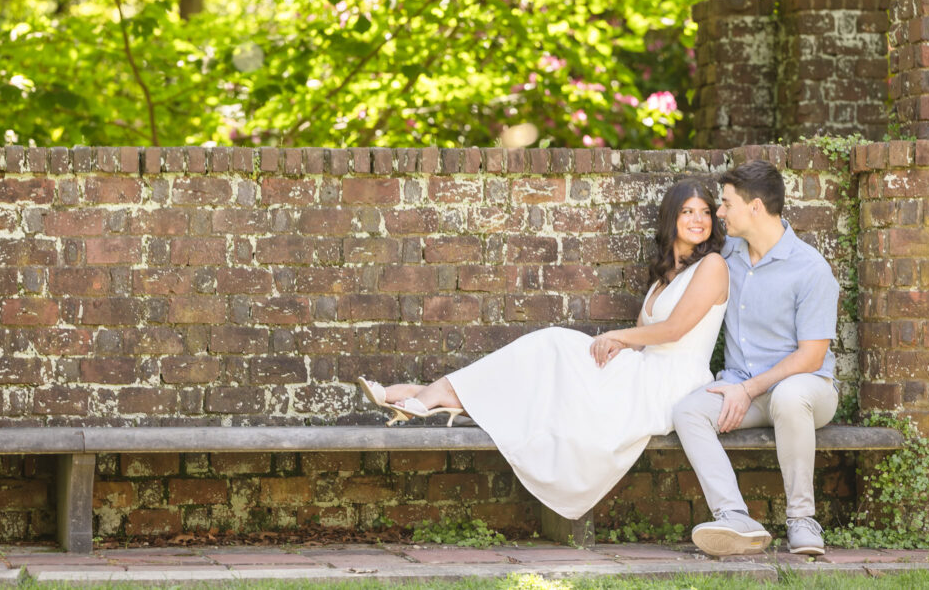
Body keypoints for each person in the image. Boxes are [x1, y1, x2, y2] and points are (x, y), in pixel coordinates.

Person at [358, 178, 729, 521]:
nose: (698, 220)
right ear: (672, 218)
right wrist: (621, 343)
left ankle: (432, 394)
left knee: (554, 343)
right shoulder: (666, 276)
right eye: (687, 211)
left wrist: (616, 337)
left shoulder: (712, 265)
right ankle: (441, 395)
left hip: (671, 384)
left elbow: (675, 329)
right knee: (552, 375)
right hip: (645, 369)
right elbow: (644, 333)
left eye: (706, 212)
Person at [671, 160, 839, 557]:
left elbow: (811, 355)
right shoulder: (727, 254)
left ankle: (802, 519)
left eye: (726, 204)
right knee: (688, 412)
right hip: (742, 385)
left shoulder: (810, 268)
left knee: (789, 396)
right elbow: (680, 249)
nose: (720, 213)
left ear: (756, 207)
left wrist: (747, 389)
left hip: (807, 388)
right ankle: (735, 518)